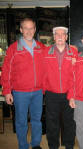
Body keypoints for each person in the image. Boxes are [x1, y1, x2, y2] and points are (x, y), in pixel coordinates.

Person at [1, 18, 45, 149]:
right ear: (21, 30)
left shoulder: (41, 47)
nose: (29, 31)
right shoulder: (13, 49)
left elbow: (51, 62)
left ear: (35, 29)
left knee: (37, 120)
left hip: (38, 92)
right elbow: (6, 71)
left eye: (31, 28)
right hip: (20, 92)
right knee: (21, 122)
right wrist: (7, 91)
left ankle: (36, 144)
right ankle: (23, 145)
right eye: (26, 28)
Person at [43, 26, 77, 149]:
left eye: (63, 34)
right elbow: (43, 73)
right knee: (52, 124)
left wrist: (72, 95)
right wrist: (44, 90)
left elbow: (76, 76)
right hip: (51, 93)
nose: (60, 37)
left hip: (68, 94)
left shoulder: (74, 52)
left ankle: (69, 146)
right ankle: (53, 146)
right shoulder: (46, 52)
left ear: (67, 37)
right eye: (57, 34)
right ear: (54, 37)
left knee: (69, 123)